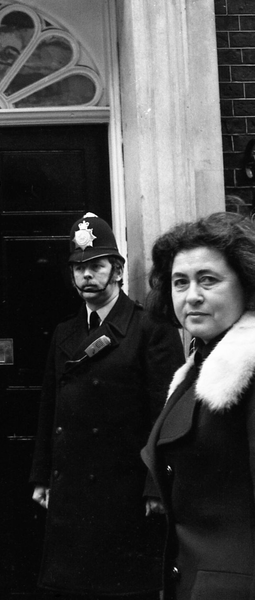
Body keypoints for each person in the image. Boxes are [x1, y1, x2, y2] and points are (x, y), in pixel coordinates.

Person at [29, 212, 185, 599]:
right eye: (78, 268)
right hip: (71, 491)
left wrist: (157, 486)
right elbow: (51, 411)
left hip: (126, 490)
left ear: (117, 270)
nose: (86, 275)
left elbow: (168, 412)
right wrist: (42, 476)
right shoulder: (65, 332)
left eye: (96, 265)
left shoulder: (149, 327)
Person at [142, 211, 255, 600]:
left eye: (208, 280)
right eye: (179, 282)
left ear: (247, 283)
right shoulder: (198, 367)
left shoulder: (249, 367)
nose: (191, 295)